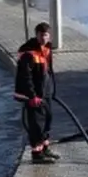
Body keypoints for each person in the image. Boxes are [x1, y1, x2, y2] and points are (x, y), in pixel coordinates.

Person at [14, 21, 57, 164]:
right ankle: (37, 154)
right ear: (36, 35)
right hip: (35, 95)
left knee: (48, 119)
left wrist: (52, 89)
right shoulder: (28, 53)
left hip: (45, 92)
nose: (43, 38)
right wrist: (32, 96)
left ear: (49, 36)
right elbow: (25, 76)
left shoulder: (47, 49)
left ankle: (45, 148)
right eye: (41, 35)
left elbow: (48, 71)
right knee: (36, 124)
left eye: (46, 35)